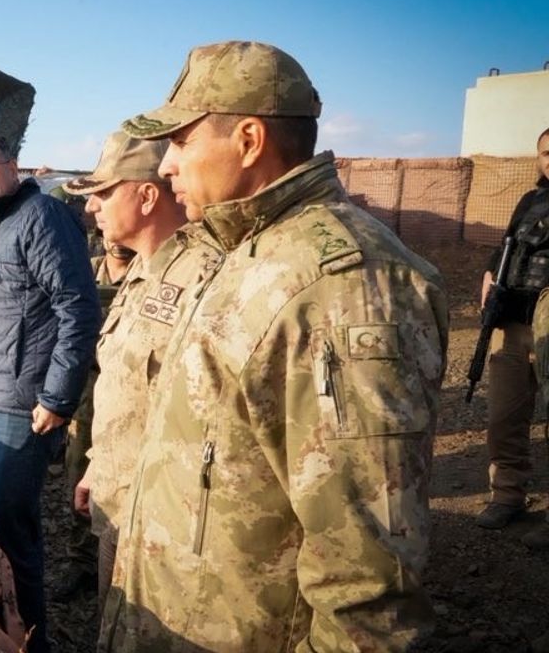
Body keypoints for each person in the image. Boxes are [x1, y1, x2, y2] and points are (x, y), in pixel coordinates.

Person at [106, 41, 448, 651]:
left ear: (248, 140)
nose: (166, 165)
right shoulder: (243, 248)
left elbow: (367, 583)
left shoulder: (344, 286)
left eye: (180, 141)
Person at [0, 134, 101, 653]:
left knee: (14, 531)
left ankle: (33, 641)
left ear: (13, 166)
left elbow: (78, 308)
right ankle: (19, 626)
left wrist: (58, 398)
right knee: (6, 525)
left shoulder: (40, 216)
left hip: (26, 405)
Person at [56, 131, 205, 617]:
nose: (91, 206)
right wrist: (100, 465)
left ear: (146, 196)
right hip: (120, 501)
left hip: (166, 524)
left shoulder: (206, 276)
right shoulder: (144, 273)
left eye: (103, 192)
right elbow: (132, 389)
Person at [49, 183, 131, 603]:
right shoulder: (86, 270)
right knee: (79, 475)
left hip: (127, 392)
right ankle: (81, 560)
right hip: (87, 392)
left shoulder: (147, 275)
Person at [477, 126, 549, 532]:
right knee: (504, 417)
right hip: (514, 321)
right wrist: (489, 276)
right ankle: (507, 496)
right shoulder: (530, 200)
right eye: (546, 153)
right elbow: (506, 246)